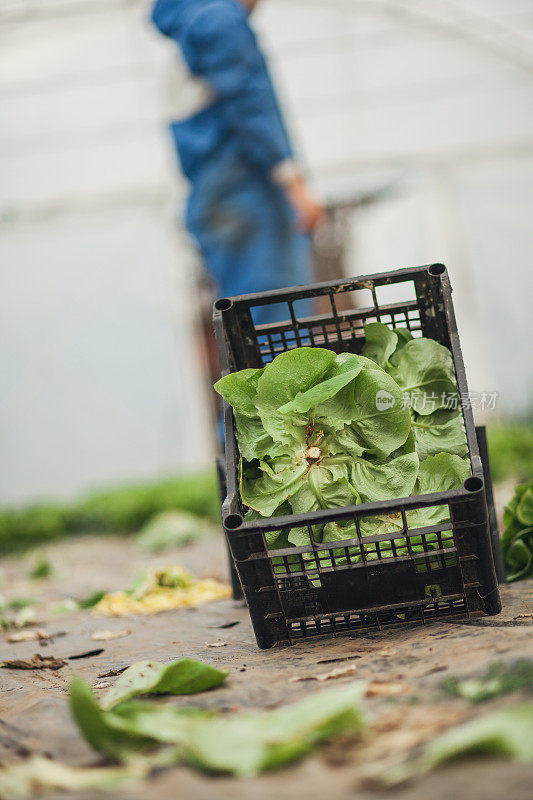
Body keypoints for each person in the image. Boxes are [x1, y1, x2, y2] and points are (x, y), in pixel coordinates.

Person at [151, 0, 324, 324]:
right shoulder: (218, 18)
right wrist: (294, 182)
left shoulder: (192, 21)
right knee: (279, 320)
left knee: (247, 323)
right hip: (244, 187)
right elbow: (251, 104)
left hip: (217, 189)